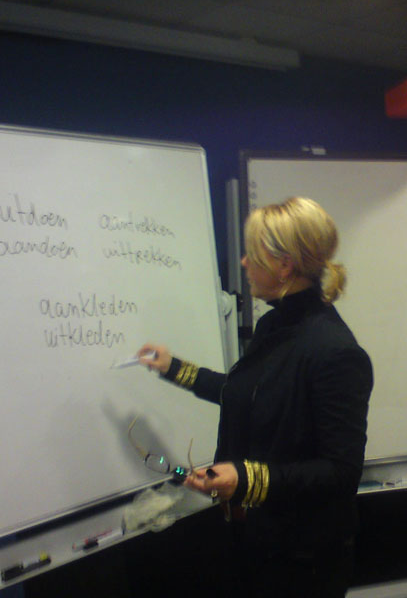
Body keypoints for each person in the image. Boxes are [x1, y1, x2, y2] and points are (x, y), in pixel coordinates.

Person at [137, 196, 372, 598]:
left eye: (252, 253)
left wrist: (247, 479)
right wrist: (173, 368)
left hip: (302, 561)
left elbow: (340, 472)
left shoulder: (335, 352)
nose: (244, 262)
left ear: (284, 266)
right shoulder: (274, 325)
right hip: (255, 540)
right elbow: (245, 395)